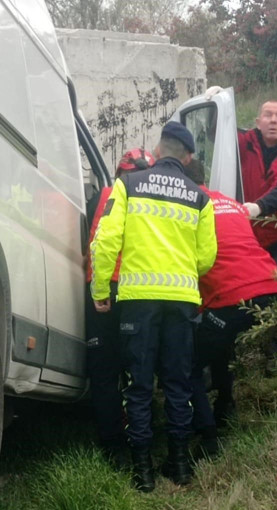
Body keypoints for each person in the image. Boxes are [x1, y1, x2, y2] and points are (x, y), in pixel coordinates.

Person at [90, 122, 217, 492]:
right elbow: (207, 257)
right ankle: (179, 465)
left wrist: (100, 289)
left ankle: (142, 472)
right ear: (188, 157)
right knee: (177, 383)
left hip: (137, 303)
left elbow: (106, 240)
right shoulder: (200, 198)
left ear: (157, 151)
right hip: (181, 303)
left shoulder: (127, 185)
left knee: (139, 384)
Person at [184, 159, 277, 454]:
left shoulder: (188, 206)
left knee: (189, 364)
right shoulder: (228, 202)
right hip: (275, 288)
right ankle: (226, 406)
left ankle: (207, 440)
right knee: (219, 342)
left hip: (236, 295)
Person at [85, 148, 155, 470]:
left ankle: (112, 446)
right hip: (136, 288)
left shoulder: (105, 195)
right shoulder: (153, 201)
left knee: (103, 370)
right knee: (137, 365)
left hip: (103, 285)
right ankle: (141, 437)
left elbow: (97, 243)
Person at [204, 88, 277, 279]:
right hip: (249, 232)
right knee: (247, 283)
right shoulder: (246, 142)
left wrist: (258, 207)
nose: (273, 120)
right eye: (267, 115)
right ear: (258, 123)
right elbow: (215, 133)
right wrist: (215, 102)